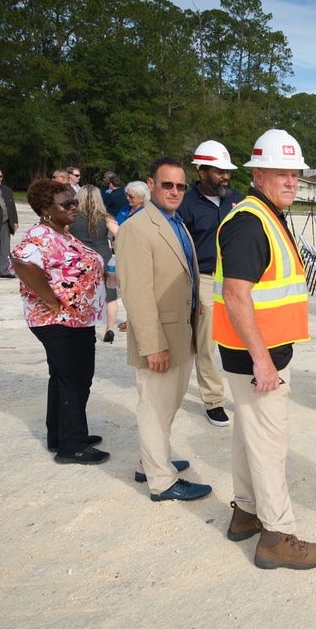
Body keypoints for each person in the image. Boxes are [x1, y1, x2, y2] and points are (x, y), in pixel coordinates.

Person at [214, 128, 316, 570]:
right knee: (269, 444)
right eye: (282, 174)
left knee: (249, 436)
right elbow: (238, 294)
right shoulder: (249, 222)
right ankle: (276, 536)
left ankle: (245, 513)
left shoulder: (266, 215)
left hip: (255, 353)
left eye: (295, 175)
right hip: (256, 357)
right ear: (258, 175)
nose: (291, 182)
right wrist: (262, 359)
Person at [115, 157, 210, 502]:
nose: (175, 191)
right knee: (154, 408)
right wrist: (152, 346)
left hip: (180, 333)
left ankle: (151, 460)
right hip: (159, 340)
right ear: (150, 184)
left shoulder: (175, 222)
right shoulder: (136, 228)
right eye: (167, 184)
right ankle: (161, 481)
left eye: (180, 185)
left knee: (167, 405)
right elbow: (136, 293)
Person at [11, 179, 109, 464]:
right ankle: (72, 445)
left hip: (76, 320)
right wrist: (53, 302)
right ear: (46, 209)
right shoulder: (40, 235)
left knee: (63, 379)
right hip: (60, 322)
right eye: (66, 204)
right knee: (76, 379)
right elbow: (21, 262)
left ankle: (61, 434)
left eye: (74, 202)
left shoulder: (61, 233)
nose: (73, 207)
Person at [177, 140, 245, 427]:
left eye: (227, 171)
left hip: (238, 279)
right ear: (202, 171)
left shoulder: (238, 199)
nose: (225, 177)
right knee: (207, 344)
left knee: (244, 338)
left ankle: (247, 393)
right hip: (205, 279)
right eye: (219, 171)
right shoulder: (185, 204)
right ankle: (214, 400)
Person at [70, 184, 120, 343]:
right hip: (103, 259)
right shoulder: (105, 217)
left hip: (79, 260)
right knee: (110, 296)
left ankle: (82, 327)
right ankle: (110, 329)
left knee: (80, 295)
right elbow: (121, 234)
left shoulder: (71, 217)